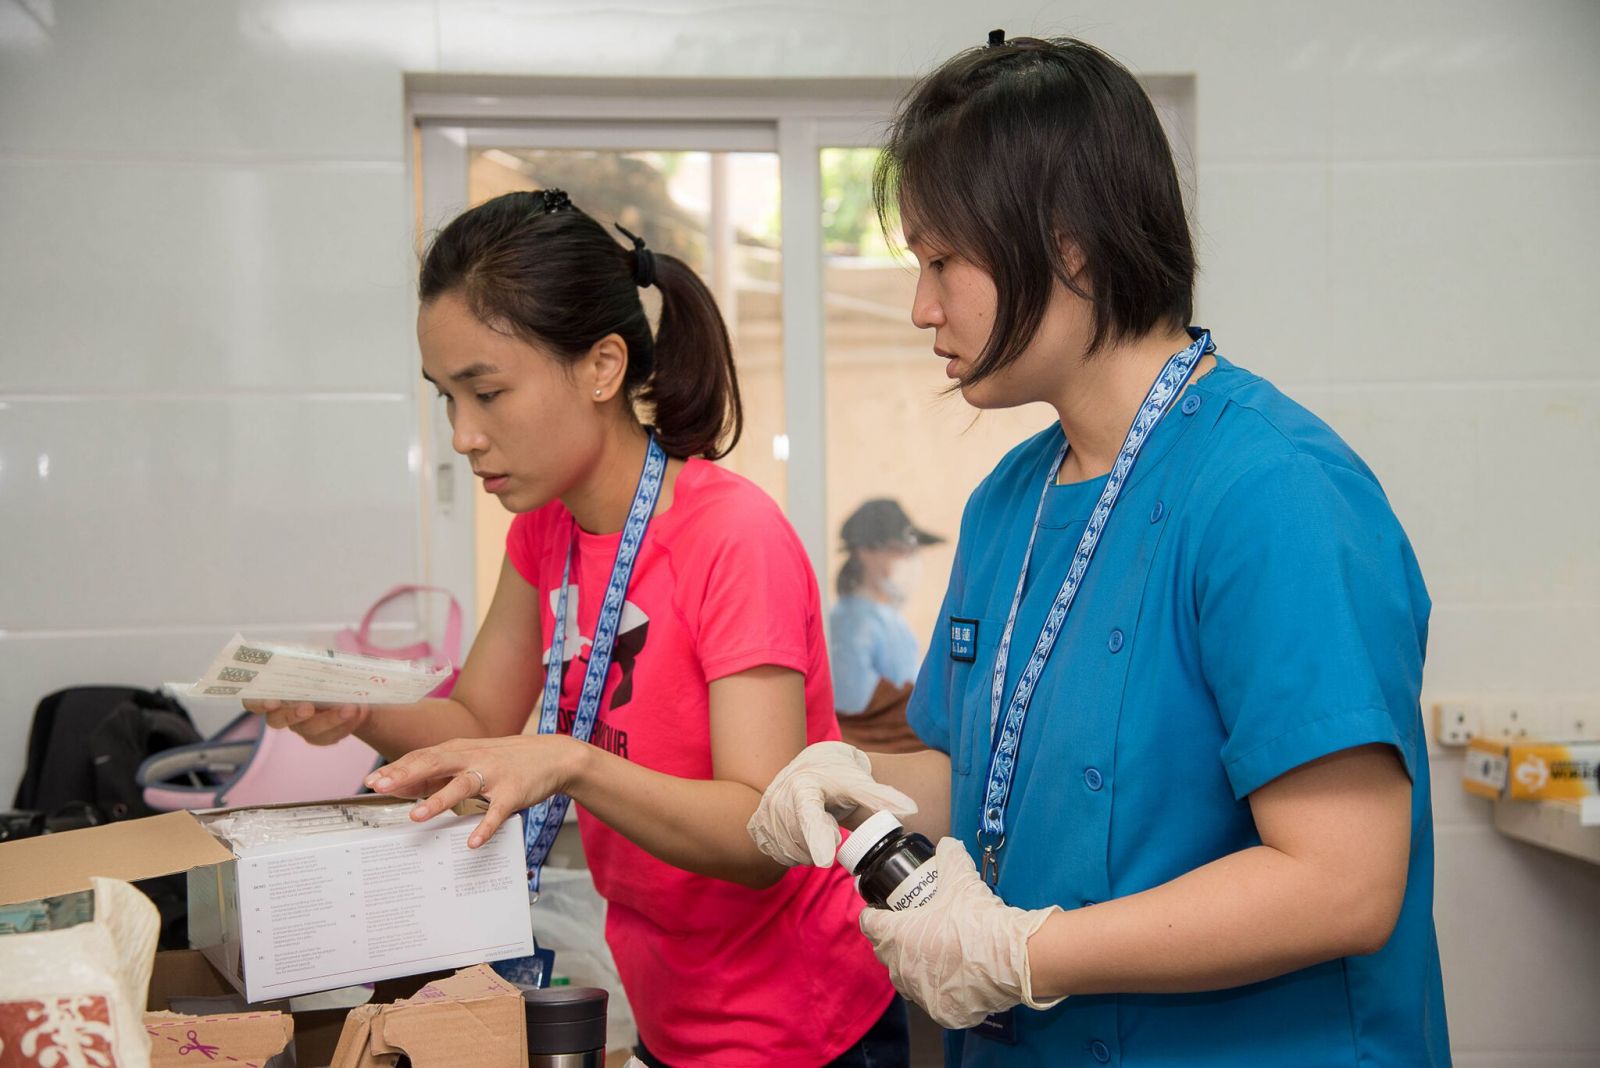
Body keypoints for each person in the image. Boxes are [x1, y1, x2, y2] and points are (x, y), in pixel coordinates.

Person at [748, 33, 1449, 1067]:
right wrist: (854, 779)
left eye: (943, 260)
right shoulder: (1010, 501)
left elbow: (1341, 883)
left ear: (1068, 243)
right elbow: (979, 767)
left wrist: (1033, 951)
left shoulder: (1273, 493)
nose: (920, 307)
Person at [251, 189, 905, 1067]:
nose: (462, 435)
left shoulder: (730, 538)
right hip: (670, 998)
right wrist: (355, 704)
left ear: (601, 367)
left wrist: (570, 759)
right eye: (445, 398)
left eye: (486, 392)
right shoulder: (545, 531)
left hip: (799, 1018)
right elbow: (478, 719)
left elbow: (763, 834)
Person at [829, 499, 943, 753]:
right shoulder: (851, 623)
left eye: (912, 551)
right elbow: (855, 710)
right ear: (865, 552)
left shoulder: (888, 620)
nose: (909, 560)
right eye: (899, 550)